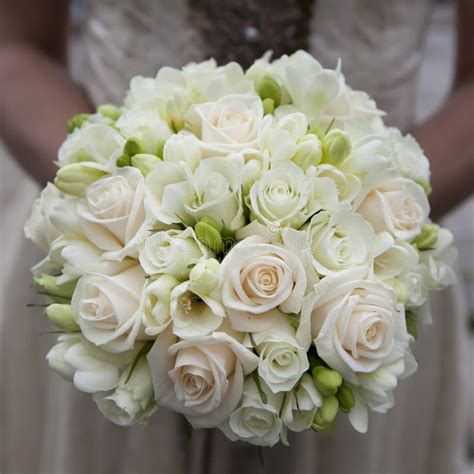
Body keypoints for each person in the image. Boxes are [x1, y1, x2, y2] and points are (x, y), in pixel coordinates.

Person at [0, 1, 472, 473]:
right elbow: (15, 47)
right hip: (108, 263)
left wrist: (376, 217)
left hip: (368, 282)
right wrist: (128, 218)